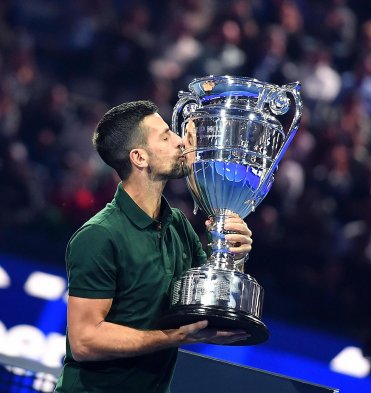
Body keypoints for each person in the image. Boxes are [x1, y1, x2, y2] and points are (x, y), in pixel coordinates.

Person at [54, 100, 253, 392]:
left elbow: (207, 304)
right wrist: (175, 337)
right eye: (165, 136)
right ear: (139, 157)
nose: (180, 141)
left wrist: (232, 252)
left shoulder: (177, 225)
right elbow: (85, 341)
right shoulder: (98, 236)